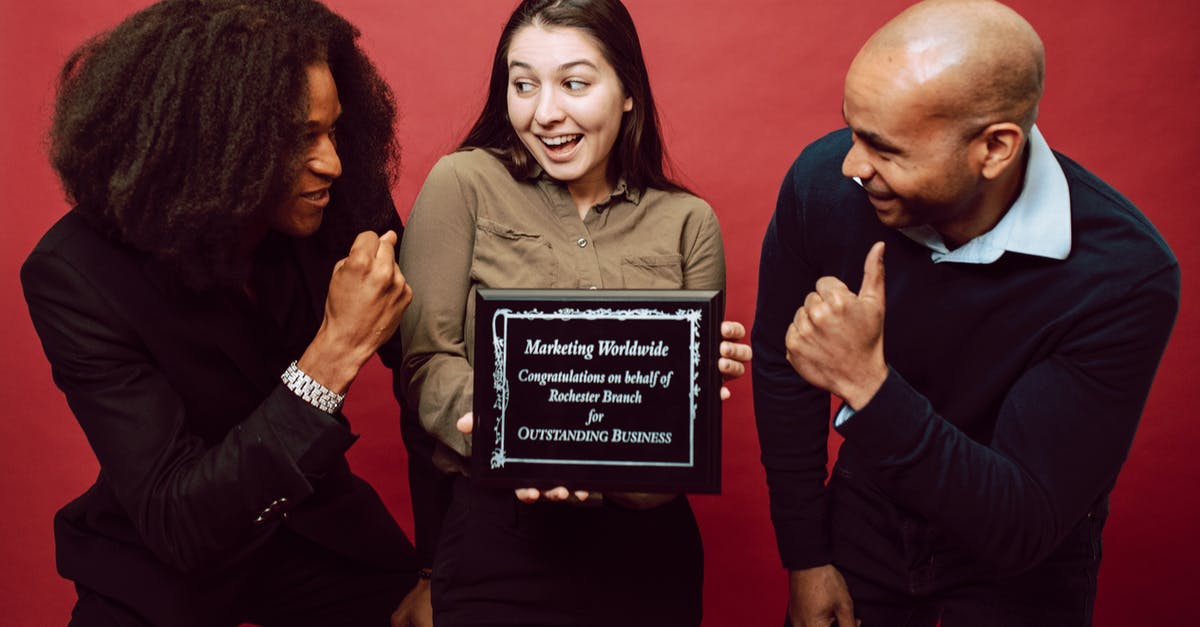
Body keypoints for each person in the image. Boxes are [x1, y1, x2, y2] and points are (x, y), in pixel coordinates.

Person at [752, 1, 1180, 625]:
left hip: (1023, 569)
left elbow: (1020, 525)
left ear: (995, 148)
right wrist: (806, 557)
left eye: (885, 147)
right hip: (862, 529)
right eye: (852, 130)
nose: (853, 164)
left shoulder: (1122, 276)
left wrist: (867, 386)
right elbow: (779, 366)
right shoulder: (825, 185)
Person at [21, 1, 424, 624]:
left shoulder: (340, 198)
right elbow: (177, 520)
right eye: (299, 139)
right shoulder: (75, 276)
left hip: (323, 533)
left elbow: (436, 376)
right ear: (213, 147)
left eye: (334, 130)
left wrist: (442, 570)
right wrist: (334, 352)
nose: (333, 163)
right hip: (164, 563)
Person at [396, 0, 751, 624]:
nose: (545, 112)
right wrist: (528, 439)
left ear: (629, 92)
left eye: (575, 83)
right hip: (498, 541)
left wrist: (695, 384)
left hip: (648, 552)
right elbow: (426, 361)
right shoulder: (463, 184)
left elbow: (684, 433)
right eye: (523, 84)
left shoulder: (688, 223)